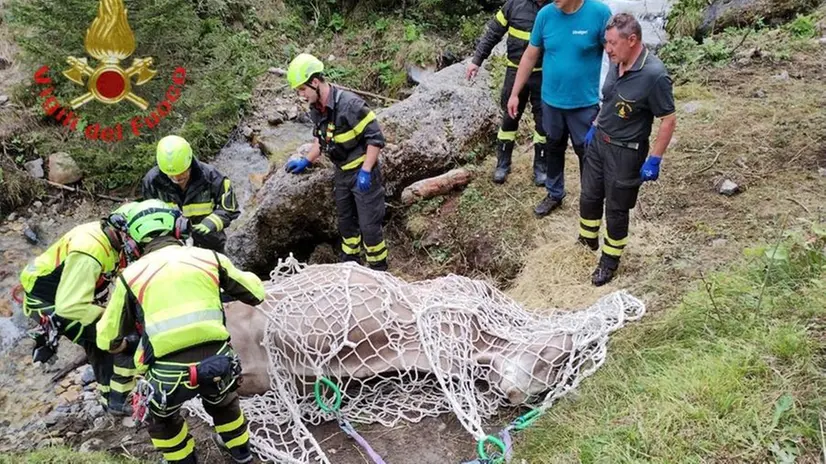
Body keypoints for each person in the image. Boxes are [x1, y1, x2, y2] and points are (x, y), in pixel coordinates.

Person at [96, 199, 266, 464]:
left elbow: (106, 338)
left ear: (133, 242)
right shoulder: (209, 258)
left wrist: (128, 344)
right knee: (224, 404)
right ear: (179, 229)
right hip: (218, 364)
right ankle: (241, 453)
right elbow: (256, 293)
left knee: (162, 421)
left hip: (167, 375)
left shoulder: (130, 277)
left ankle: (184, 460)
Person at [579, 13, 676, 286]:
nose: (607, 49)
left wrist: (654, 159)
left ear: (632, 40)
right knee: (589, 196)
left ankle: (609, 261)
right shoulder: (615, 61)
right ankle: (587, 241)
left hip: (626, 152)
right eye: (606, 42)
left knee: (617, 209)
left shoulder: (654, 76)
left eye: (612, 43)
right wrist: (595, 125)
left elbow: (668, 119)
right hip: (600, 143)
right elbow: (609, 99)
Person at [18, 204, 142, 414]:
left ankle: (107, 395)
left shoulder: (109, 237)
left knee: (99, 339)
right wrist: (111, 316)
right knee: (117, 335)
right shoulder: (90, 251)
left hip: (65, 293)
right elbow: (70, 306)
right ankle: (117, 400)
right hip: (53, 303)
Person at [284, 53, 389, 271]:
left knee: (369, 227)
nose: (300, 95)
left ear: (314, 82)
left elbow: (375, 139)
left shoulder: (350, 105)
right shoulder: (316, 109)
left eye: (302, 89)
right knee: (346, 225)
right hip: (342, 174)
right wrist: (306, 161)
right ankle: (350, 267)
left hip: (362, 172)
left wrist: (366, 170)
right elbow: (321, 140)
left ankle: (379, 269)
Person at [507, 0, 612, 217]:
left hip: (584, 104)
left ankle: (590, 199)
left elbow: (615, 56)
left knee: (588, 153)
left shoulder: (599, 13)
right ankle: (554, 193)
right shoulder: (546, 15)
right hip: (551, 102)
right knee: (553, 147)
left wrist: (614, 94)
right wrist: (515, 93)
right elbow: (529, 55)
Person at [467, 0, 569, 186]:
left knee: (543, 122)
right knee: (509, 118)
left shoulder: (557, 6)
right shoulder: (514, 4)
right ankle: (502, 164)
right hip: (515, 73)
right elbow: (493, 33)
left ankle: (541, 168)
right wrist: (476, 60)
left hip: (545, 74)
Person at [142, 135, 239, 253]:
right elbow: (149, 214)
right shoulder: (152, 182)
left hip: (209, 239)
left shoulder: (212, 177)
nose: (177, 178)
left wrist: (212, 222)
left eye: (181, 172)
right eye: (171, 174)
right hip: (173, 241)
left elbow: (230, 208)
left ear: (189, 163)